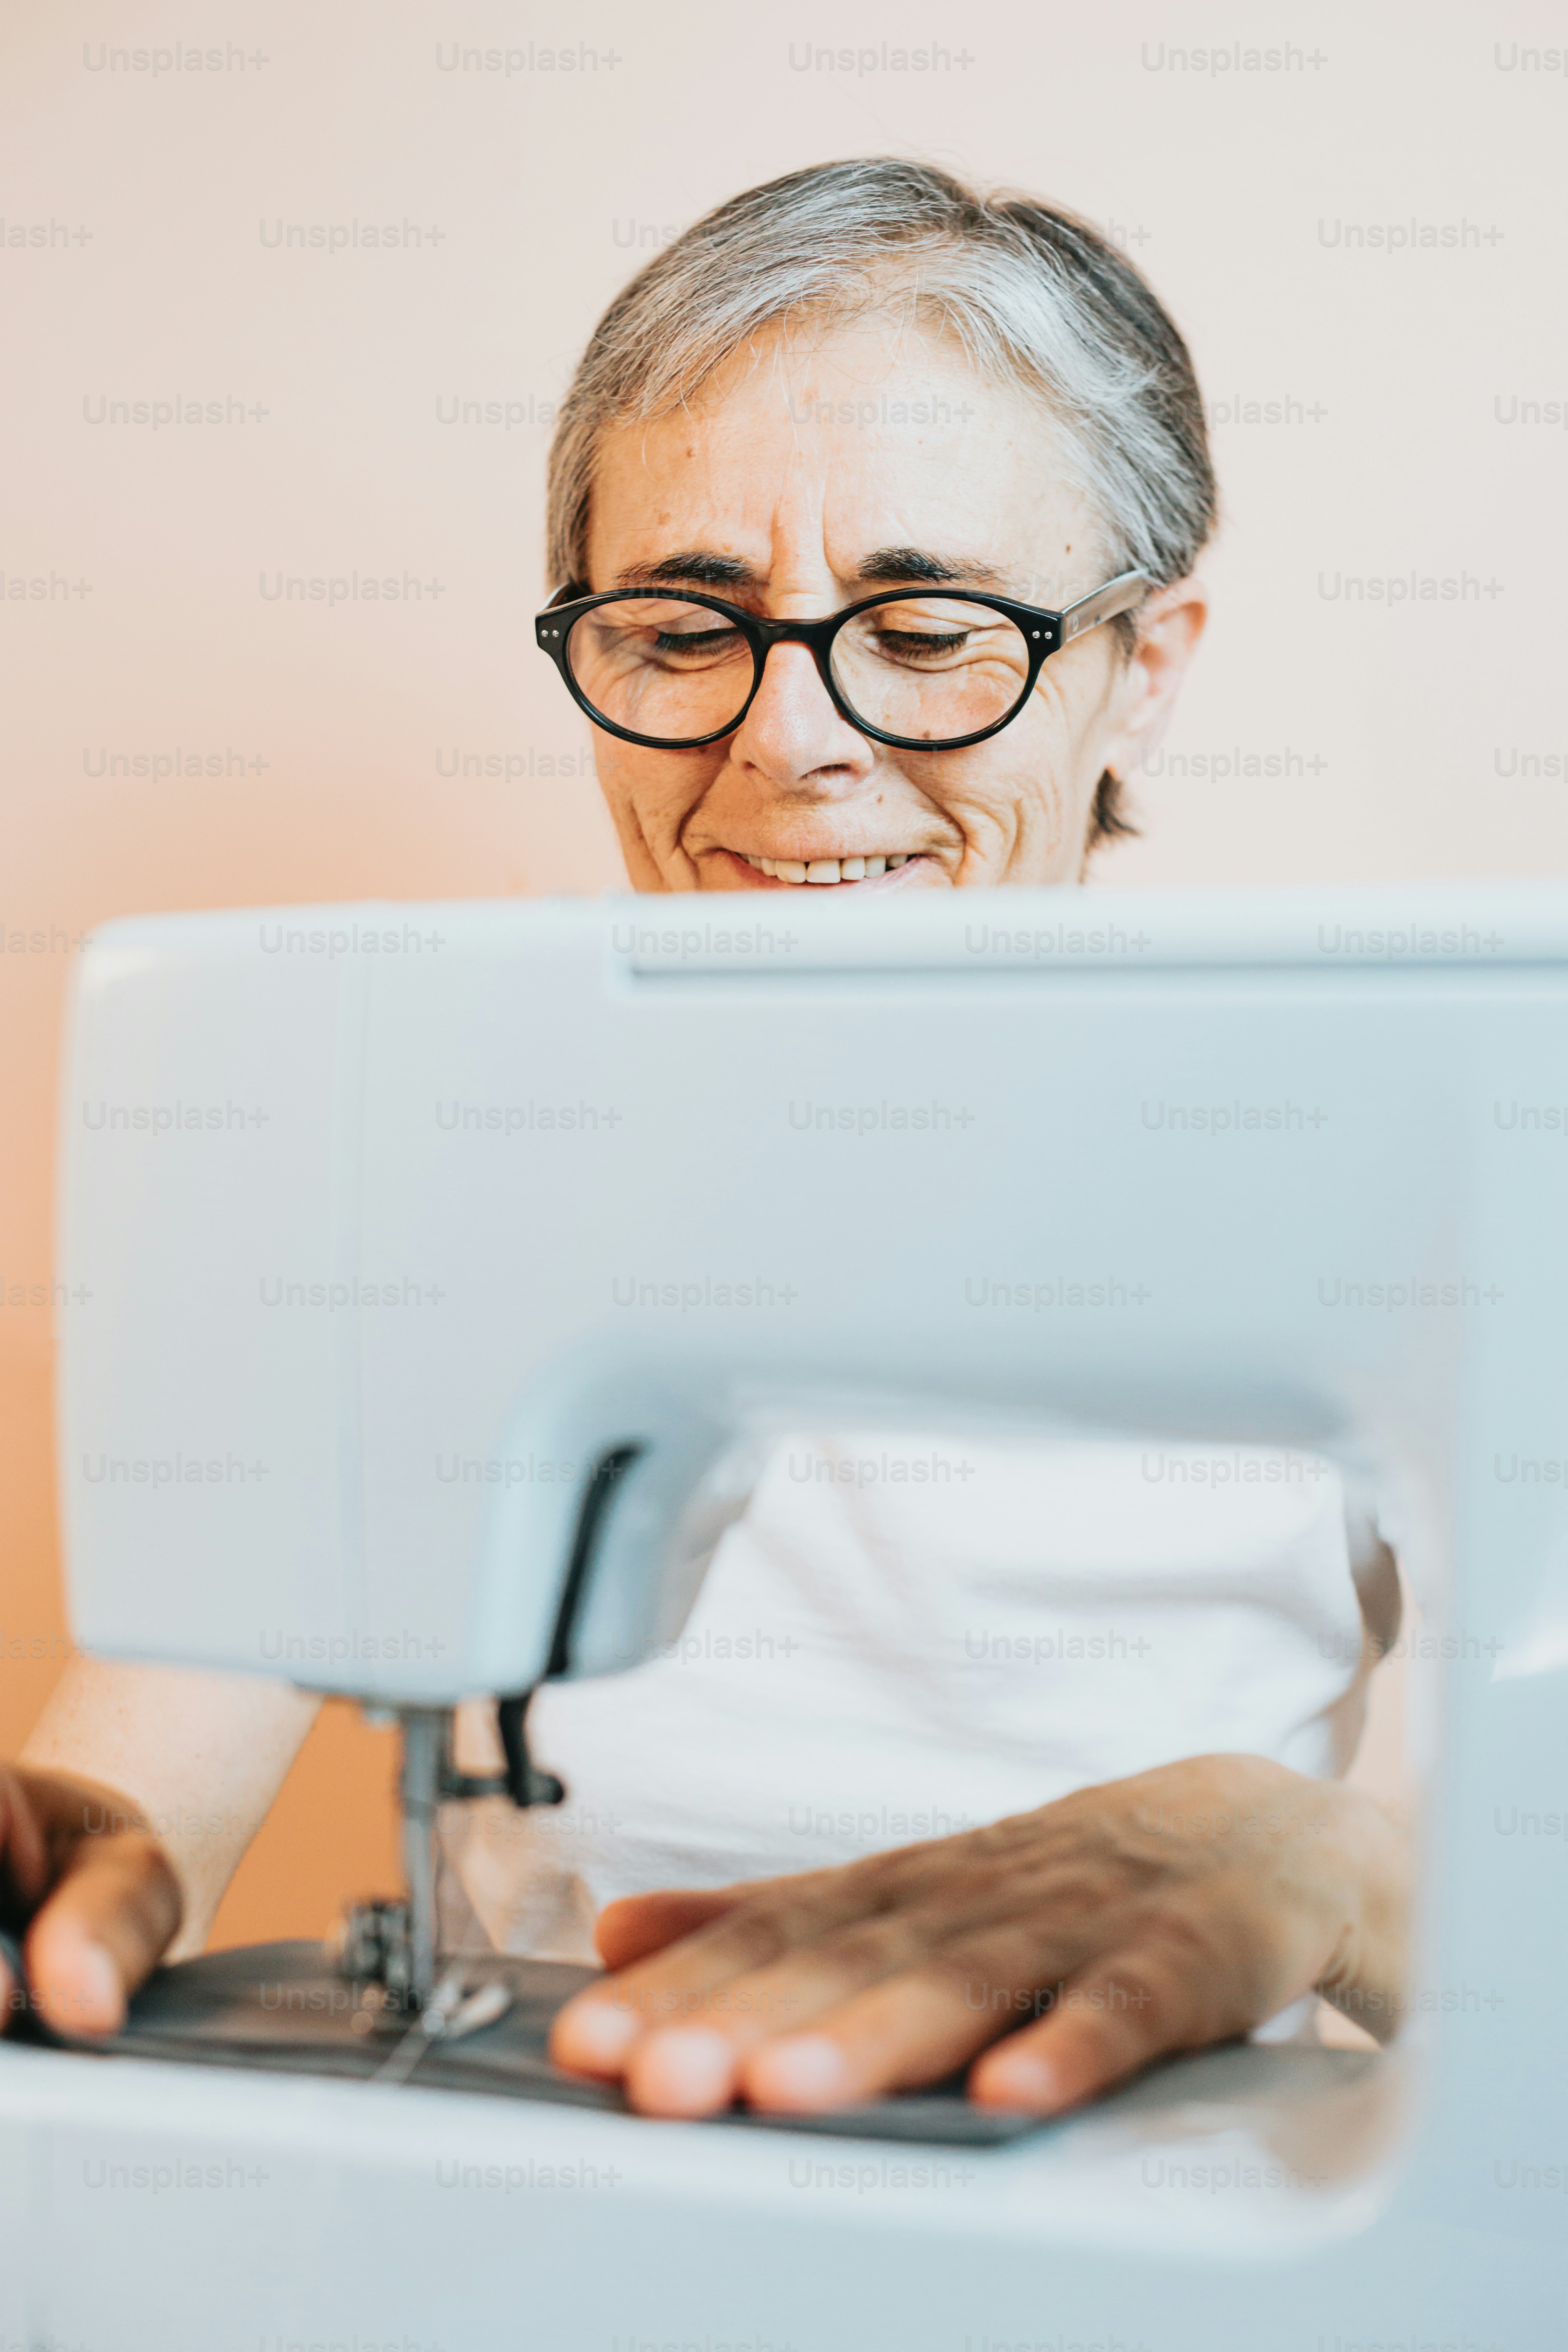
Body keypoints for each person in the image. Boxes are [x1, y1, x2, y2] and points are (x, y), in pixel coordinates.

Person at [5, 159, 1410, 2122]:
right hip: (579, 2156)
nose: (787, 742)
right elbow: (144, 1764)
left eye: (927, 628)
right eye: (681, 626)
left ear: (1142, 675)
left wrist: (1316, 1862)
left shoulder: (1421, 1158)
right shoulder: (420, 1124)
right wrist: (65, 1850)